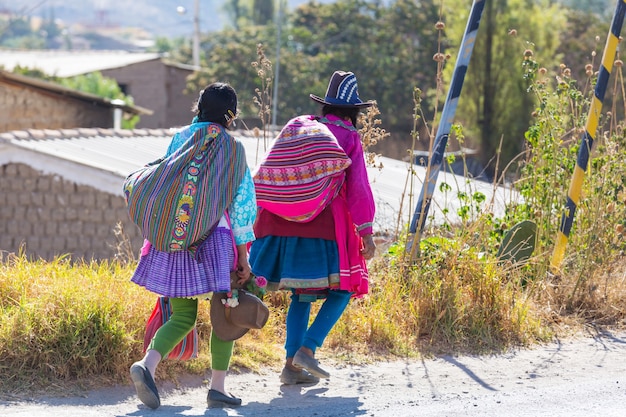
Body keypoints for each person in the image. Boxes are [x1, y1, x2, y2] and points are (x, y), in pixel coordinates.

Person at [128, 82, 257, 409]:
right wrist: (243, 256)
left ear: (199, 108)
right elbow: (241, 205)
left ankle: (147, 365)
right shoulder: (233, 148)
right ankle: (217, 387)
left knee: (183, 315)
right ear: (231, 116)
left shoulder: (180, 137)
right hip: (216, 240)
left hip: (177, 236)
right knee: (225, 314)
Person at [249, 71, 377, 385]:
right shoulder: (348, 136)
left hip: (282, 221)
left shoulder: (303, 126)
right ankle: (308, 348)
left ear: (326, 106)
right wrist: (366, 233)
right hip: (325, 225)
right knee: (344, 289)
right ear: (354, 112)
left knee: (301, 296)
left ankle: (291, 367)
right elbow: (358, 187)